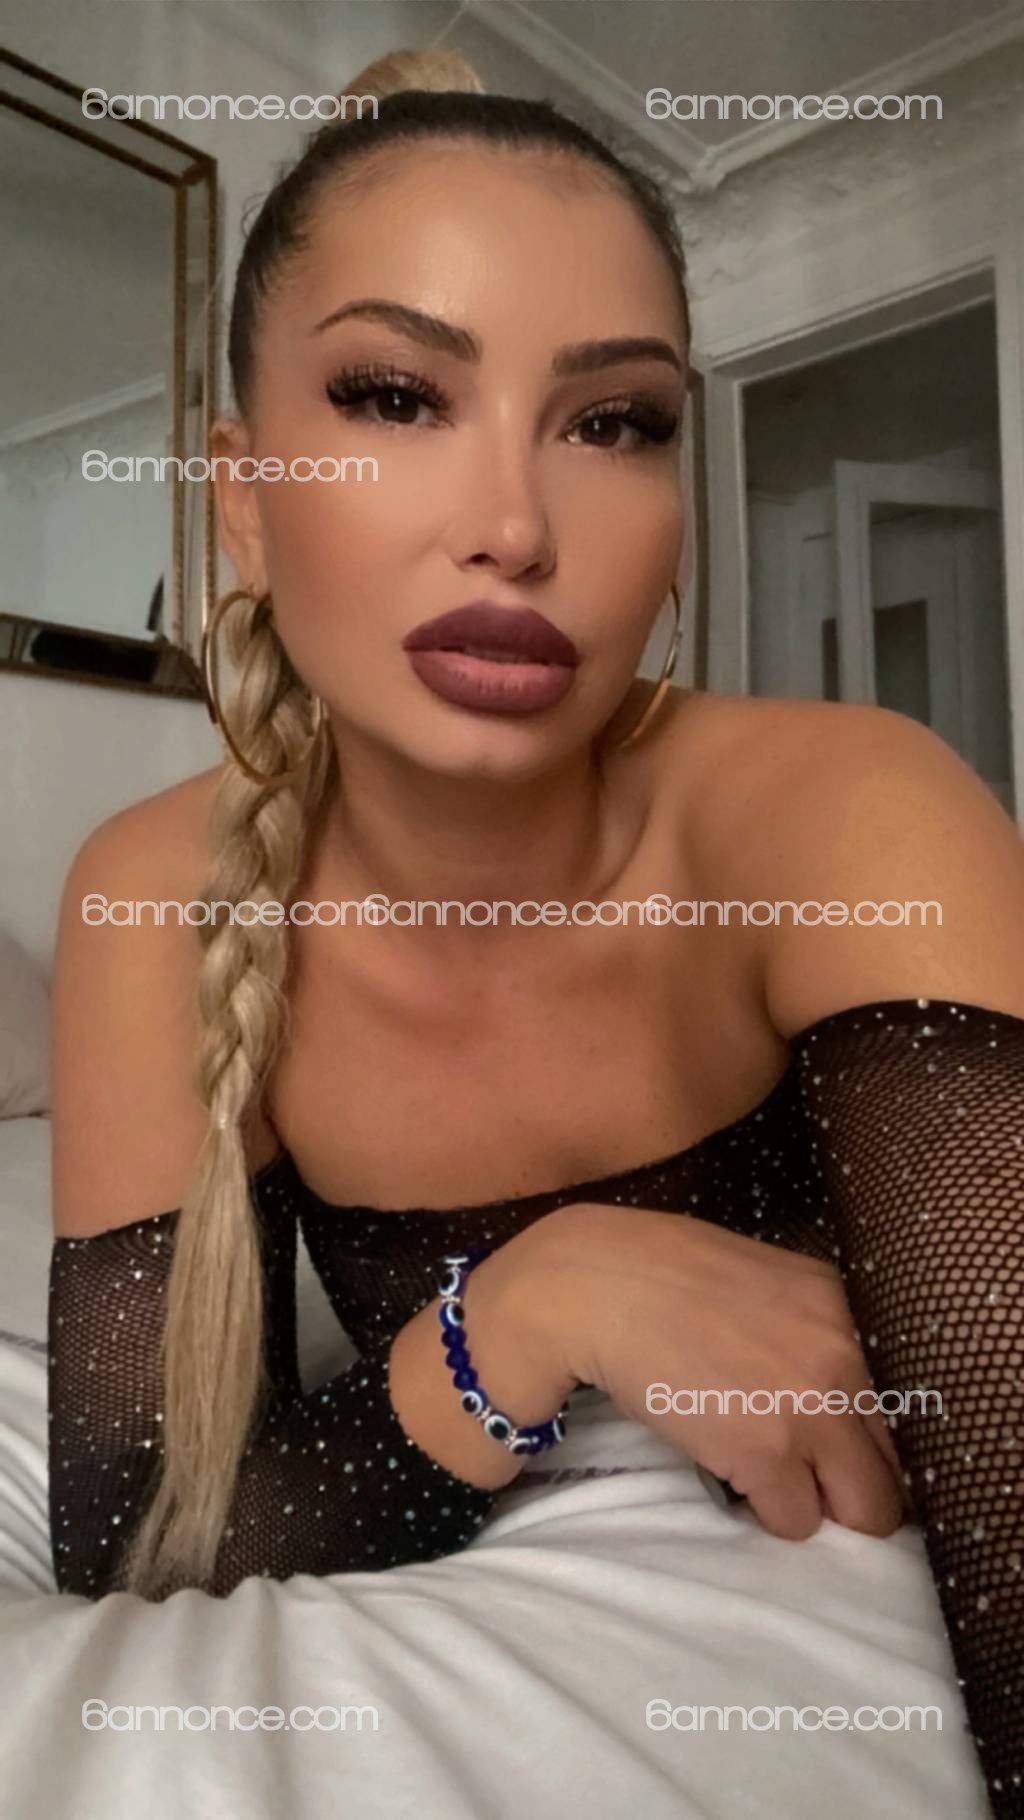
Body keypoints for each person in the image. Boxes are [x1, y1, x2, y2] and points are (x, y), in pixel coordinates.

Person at [47, 47, 1024, 1817]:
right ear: (241, 497)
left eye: (615, 423)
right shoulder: (154, 901)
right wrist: (539, 1299)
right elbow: (144, 1542)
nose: (514, 528)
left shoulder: (845, 809)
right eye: (396, 396)